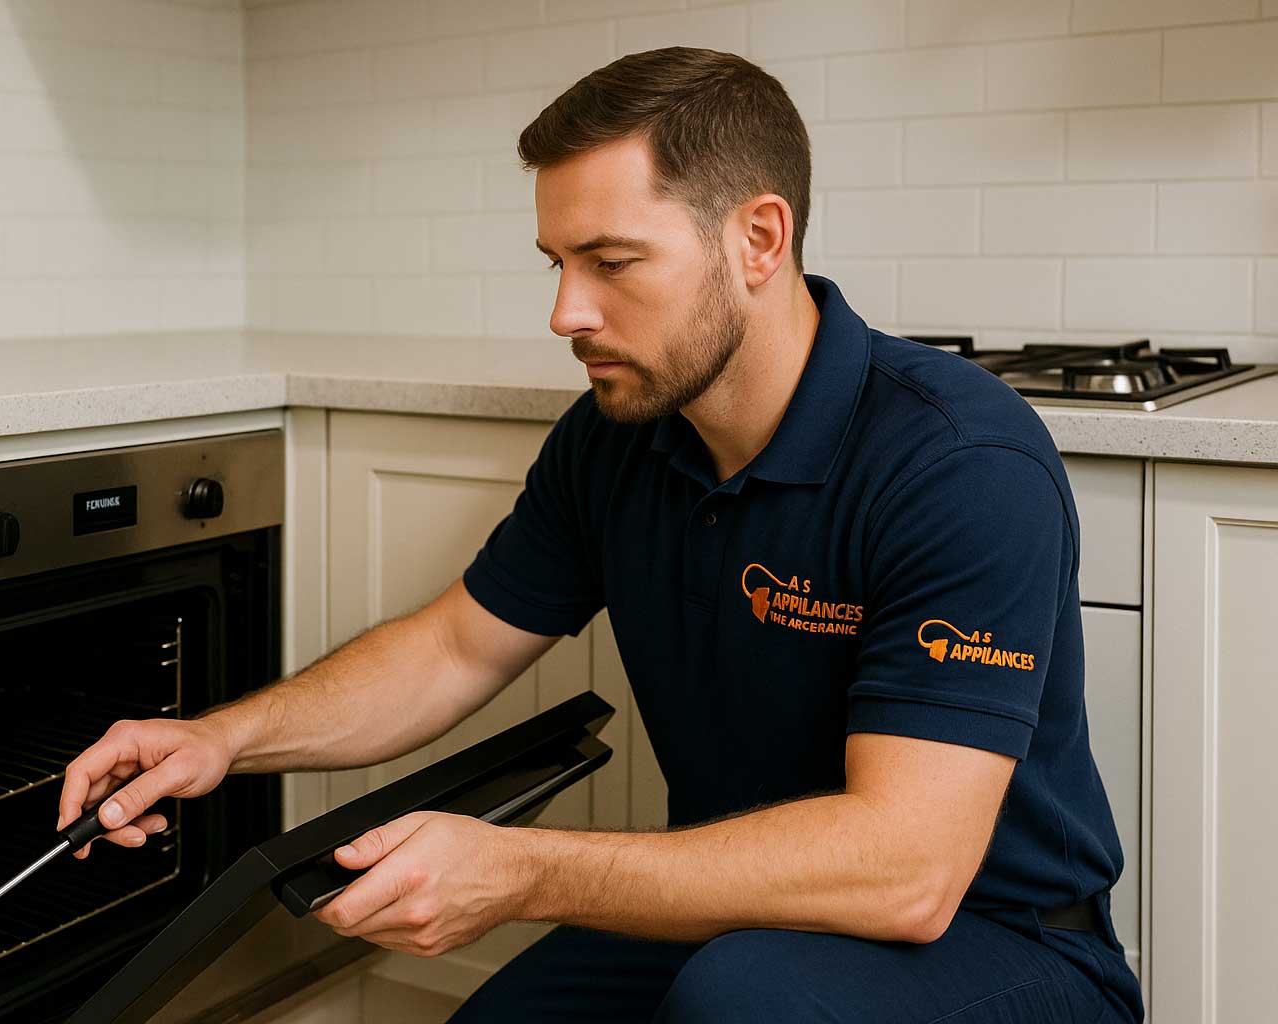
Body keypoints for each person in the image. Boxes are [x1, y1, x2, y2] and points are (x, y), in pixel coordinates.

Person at [59, 47, 1145, 1023]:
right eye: (556, 263)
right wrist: (219, 739)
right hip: (741, 915)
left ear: (758, 238)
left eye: (612, 263)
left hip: (1002, 945)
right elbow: (450, 650)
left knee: (742, 1001)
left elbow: (906, 874)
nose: (565, 312)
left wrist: (523, 872)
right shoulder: (616, 438)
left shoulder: (956, 461)